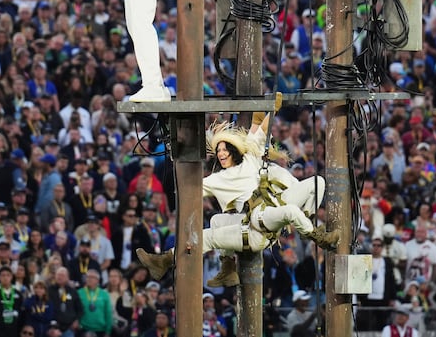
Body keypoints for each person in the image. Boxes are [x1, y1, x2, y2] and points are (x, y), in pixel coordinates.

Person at [136, 104, 338, 284]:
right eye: (218, 151)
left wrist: (272, 108)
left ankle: (315, 232)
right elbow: (189, 192)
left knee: (316, 183)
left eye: (225, 149)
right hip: (256, 223)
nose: (221, 154)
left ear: (234, 150)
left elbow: (260, 128)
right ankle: (226, 269)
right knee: (215, 221)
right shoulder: (218, 179)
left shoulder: (250, 159)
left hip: (271, 210)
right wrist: (177, 158)